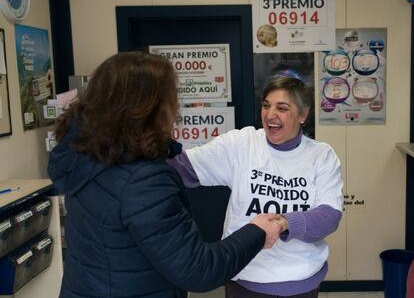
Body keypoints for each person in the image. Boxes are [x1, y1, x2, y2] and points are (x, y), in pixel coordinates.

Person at [47, 51, 284, 298]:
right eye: (172, 98)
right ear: (147, 108)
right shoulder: (142, 182)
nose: (177, 107)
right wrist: (256, 232)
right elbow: (199, 270)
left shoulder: (87, 156)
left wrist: (166, 150)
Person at [170, 75, 344, 298]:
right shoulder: (241, 144)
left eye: (282, 108)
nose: (270, 115)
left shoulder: (321, 155)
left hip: (301, 284)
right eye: (266, 105)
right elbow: (181, 169)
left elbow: (329, 216)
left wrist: (285, 222)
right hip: (245, 280)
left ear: (303, 115)